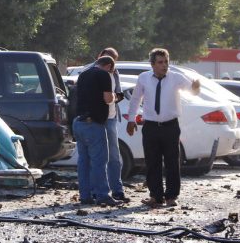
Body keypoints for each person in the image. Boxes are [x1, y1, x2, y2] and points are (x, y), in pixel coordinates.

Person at [126, 48, 201, 208]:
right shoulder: (144, 78)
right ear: (152, 64)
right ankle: (155, 196)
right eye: (160, 62)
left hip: (170, 126)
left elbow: (193, 91)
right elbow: (135, 99)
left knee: (172, 162)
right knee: (152, 162)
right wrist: (131, 120)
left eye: (166, 61)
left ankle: (171, 196)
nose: (164, 65)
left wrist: (196, 87)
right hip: (151, 126)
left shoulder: (176, 77)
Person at [72, 56, 120, 206]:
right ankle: (103, 195)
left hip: (79, 122)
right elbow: (107, 98)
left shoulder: (83, 74)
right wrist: (114, 97)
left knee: (83, 161)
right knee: (99, 161)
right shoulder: (103, 74)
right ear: (109, 66)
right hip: (93, 123)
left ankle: (85, 196)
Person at [90, 47, 127, 202]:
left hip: (110, 118)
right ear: (100, 57)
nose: (110, 64)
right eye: (107, 59)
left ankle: (117, 190)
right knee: (96, 156)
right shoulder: (90, 72)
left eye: (113, 61)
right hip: (95, 118)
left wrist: (112, 98)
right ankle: (96, 191)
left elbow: (119, 94)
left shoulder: (115, 73)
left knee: (114, 155)